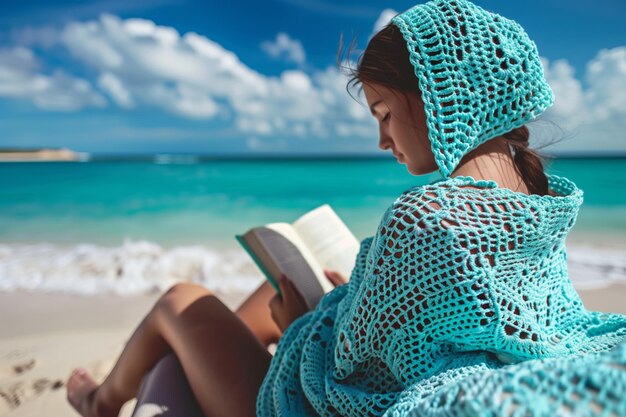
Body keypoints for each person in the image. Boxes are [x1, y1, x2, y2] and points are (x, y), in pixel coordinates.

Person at [67, 0, 626, 416]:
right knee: (273, 291)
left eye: (383, 112)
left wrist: (298, 327)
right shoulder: (538, 198)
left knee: (180, 300)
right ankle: (193, 366)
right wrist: (337, 304)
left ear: (441, 97)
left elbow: (345, 371)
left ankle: (100, 400)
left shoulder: (428, 219)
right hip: (425, 362)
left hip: (301, 406)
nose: (383, 140)